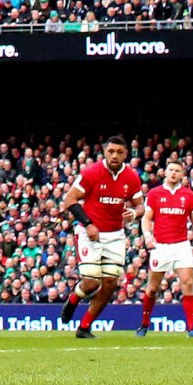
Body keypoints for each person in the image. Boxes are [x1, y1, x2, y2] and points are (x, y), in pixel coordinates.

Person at [58, 135, 144, 339]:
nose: (114, 156)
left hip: (115, 235)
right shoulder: (91, 173)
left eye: (119, 152)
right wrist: (88, 224)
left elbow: (140, 205)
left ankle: (85, 326)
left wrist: (134, 213)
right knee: (91, 283)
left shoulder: (131, 177)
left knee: (110, 284)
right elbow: (70, 200)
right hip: (90, 234)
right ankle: (73, 299)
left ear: (126, 154)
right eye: (111, 151)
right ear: (105, 152)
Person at [136, 158, 193, 338]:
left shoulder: (188, 195)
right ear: (165, 172)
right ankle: (145, 324)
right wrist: (147, 236)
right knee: (153, 288)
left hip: (181, 245)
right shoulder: (154, 194)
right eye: (171, 170)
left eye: (177, 170)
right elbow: (146, 218)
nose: (173, 173)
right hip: (160, 246)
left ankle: (191, 327)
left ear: (182, 175)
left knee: (188, 282)